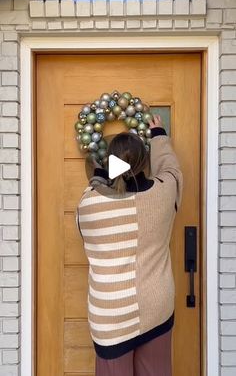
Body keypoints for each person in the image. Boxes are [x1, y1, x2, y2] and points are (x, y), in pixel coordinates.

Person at [75, 114, 183, 376]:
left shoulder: (87, 204)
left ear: (109, 164)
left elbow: (98, 187)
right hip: (155, 307)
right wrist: (158, 135)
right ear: (143, 162)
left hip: (110, 316)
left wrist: (100, 173)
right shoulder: (164, 192)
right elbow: (171, 170)